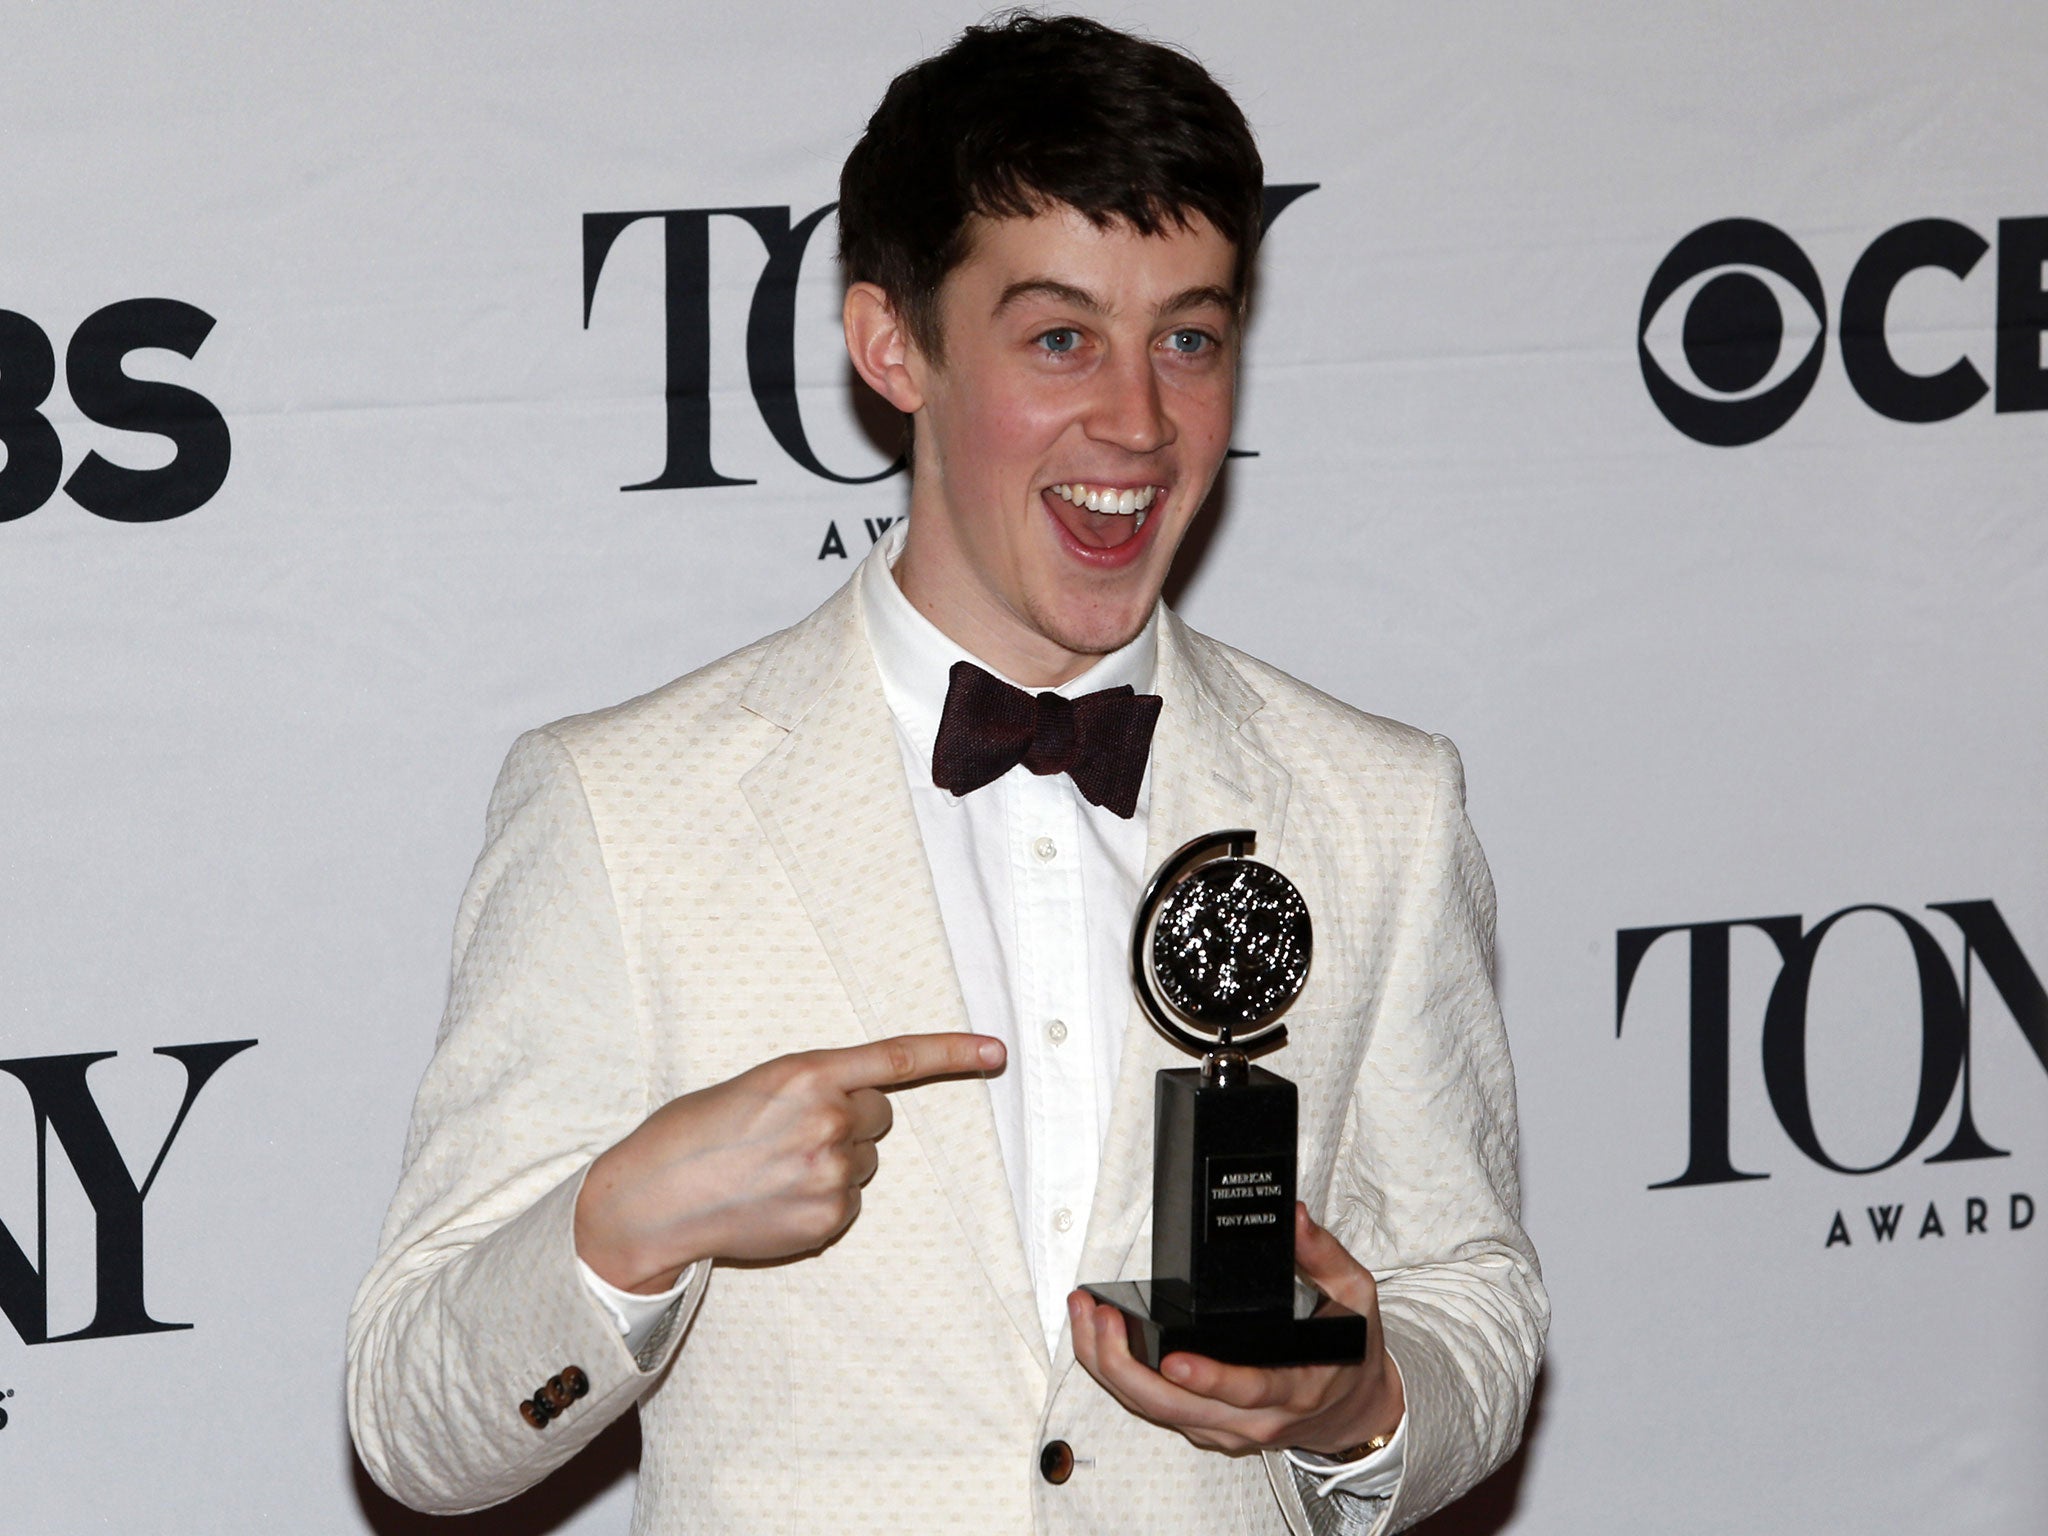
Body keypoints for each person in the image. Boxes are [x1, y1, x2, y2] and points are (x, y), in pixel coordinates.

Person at [347, 15, 1545, 1534]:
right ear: (890, 346)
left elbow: (1477, 1307)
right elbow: (413, 1426)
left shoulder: (1380, 806)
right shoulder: (621, 808)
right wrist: (625, 1229)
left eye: (1189, 336)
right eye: (1059, 339)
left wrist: (1359, 1399)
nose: (1137, 420)